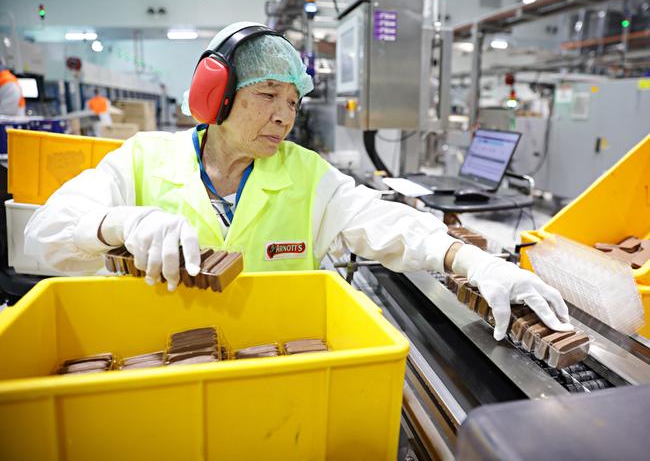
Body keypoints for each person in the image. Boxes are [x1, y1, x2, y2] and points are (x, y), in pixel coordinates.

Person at [24, 22, 573, 341]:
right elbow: (42, 237)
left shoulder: (306, 174)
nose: (284, 116)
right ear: (216, 96)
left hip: (276, 371)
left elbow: (387, 222)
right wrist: (119, 221)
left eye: (292, 102)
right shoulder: (142, 161)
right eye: (267, 96)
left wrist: (476, 262)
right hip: (158, 371)